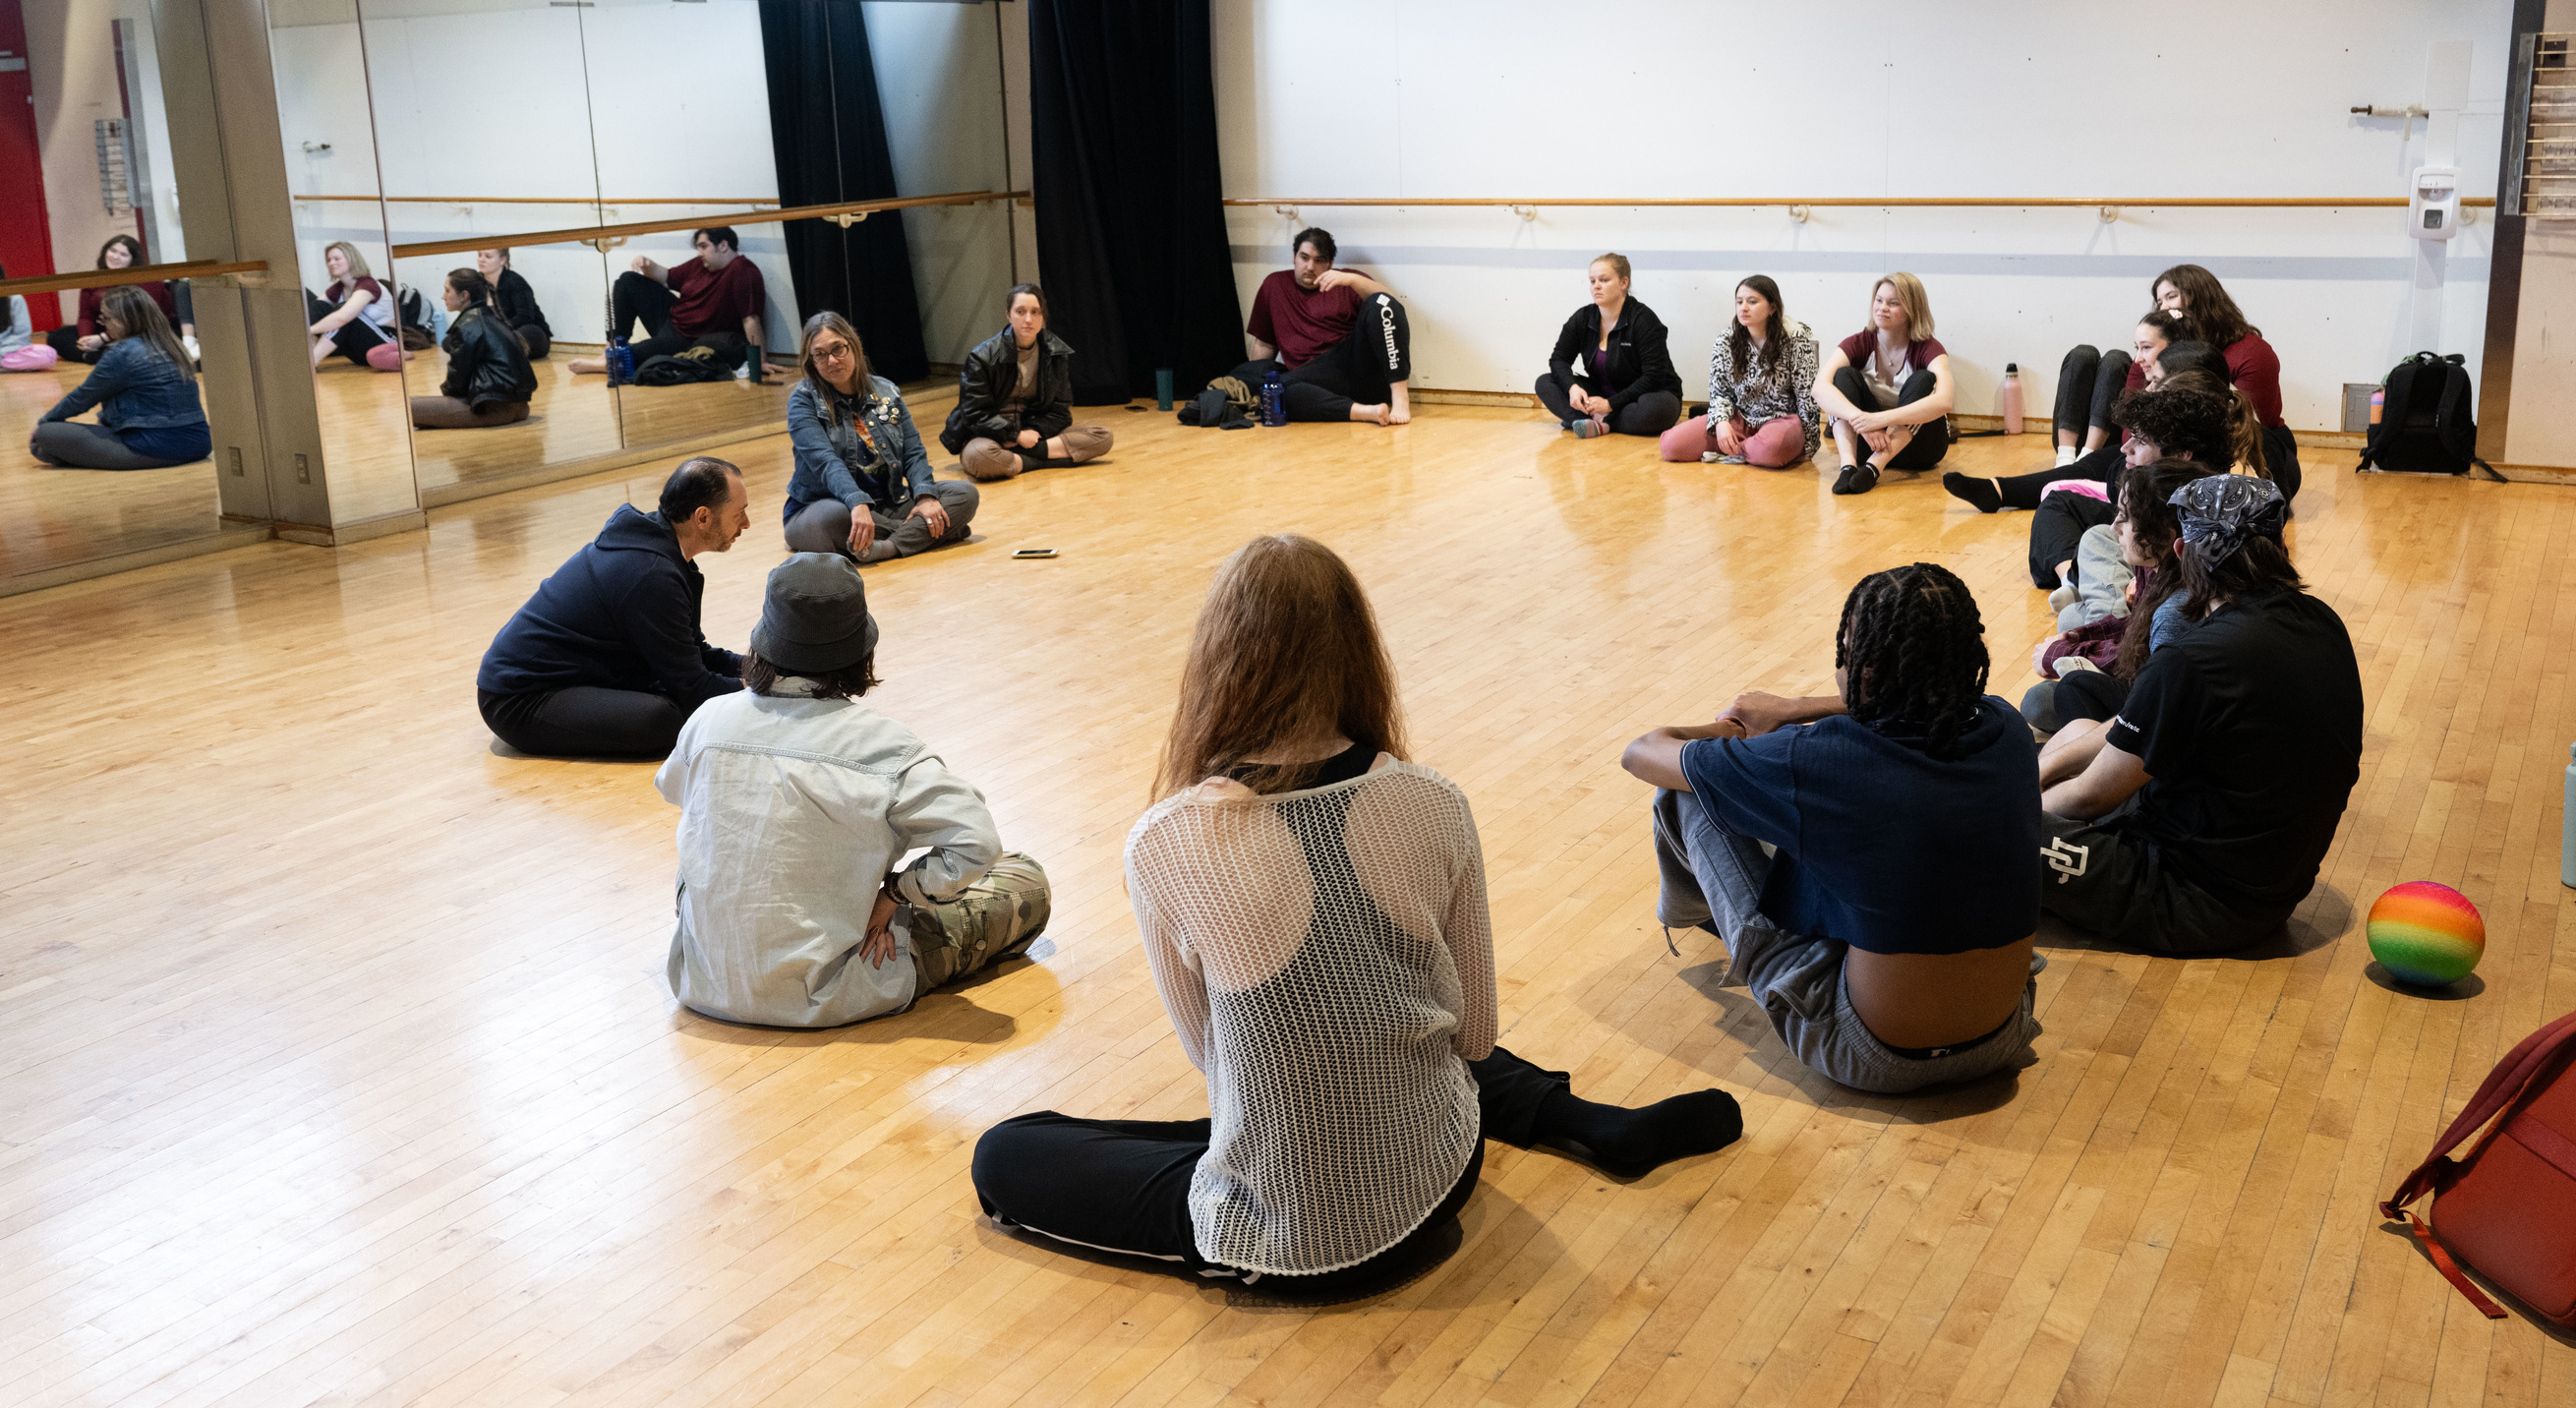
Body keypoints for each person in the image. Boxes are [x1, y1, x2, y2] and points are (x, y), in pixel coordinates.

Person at [970, 535, 1743, 1295]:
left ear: (1216, 661)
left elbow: (1214, 1063)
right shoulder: (1433, 800)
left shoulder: (1166, 839)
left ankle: (1310, 1156)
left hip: (1295, 1235)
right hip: (1446, 1173)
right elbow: (1473, 1038)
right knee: (1406, 1009)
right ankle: (1588, 1121)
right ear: (1357, 651)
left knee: (1007, 1152)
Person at [1619, 563, 2044, 1093]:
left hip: (1870, 1056)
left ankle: (1696, 918)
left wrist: (1732, 732)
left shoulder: (1820, 760)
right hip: (2004, 1035)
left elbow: (1641, 753)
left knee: (1691, 792)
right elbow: (1917, 705)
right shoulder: (2009, 730)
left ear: (1860, 663)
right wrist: (1795, 709)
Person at [658, 553, 1053, 1029]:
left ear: (763, 641)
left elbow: (675, 790)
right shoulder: (885, 746)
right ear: (861, 650)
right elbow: (978, 843)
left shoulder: (707, 719)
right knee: (1026, 877)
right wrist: (894, 893)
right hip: (835, 988)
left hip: (702, 981)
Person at [2036, 475, 2362, 956]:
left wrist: (2012, 805)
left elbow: (2089, 799)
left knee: (1973, 823)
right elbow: (2139, 731)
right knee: (2079, 731)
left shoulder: (2193, 659)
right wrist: (2038, 772)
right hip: (2272, 888)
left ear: (2183, 548)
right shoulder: (2321, 620)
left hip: (2194, 902)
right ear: (2280, 544)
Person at [475, 456, 753, 759]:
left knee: (672, 699)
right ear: (702, 518)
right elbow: (693, 689)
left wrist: (764, 667)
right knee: (664, 719)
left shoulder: (662, 552)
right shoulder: (651, 574)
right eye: (739, 513)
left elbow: (693, 653)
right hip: (519, 698)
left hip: (566, 679)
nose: (746, 524)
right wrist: (763, 688)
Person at [2018, 458, 2211, 733]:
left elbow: (2139, 662)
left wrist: (2068, 652)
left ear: (2163, 536)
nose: (2114, 527)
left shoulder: (2178, 606)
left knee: (2040, 701)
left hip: (2157, 707)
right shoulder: (2157, 566)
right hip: (2147, 676)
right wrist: (2076, 637)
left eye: (2125, 517)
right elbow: (2133, 626)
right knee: (2071, 619)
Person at [1950, 308, 2197, 517]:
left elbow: (2141, 440)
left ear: (2173, 348)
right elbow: (2128, 429)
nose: (2138, 357)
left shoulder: (2183, 383)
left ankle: (2003, 490)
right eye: (2137, 347)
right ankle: (2011, 484)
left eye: (2145, 348)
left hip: (2147, 462)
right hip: (2131, 450)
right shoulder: (2146, 371)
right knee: (2082, 355)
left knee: (2088, 474)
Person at [2021, 372, 2240, 594]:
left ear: (2181, 454)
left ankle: (2084, 588)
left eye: (2141, 441)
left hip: (2151, 603)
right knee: (2062, 504)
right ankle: (2071, 582)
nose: (2126, 448)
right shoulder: (2158, 484)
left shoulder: (2196, 514)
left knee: (2098, 541)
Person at [784, 311, 977, 561]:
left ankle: (887, 547)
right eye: (820, 354)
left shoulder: (886, 390)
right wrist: (856, 503)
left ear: (853, 345)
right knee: (833, 519)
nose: (831, 360)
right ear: (811, 360)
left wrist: (926, 497)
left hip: (890, 502)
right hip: (825, 506)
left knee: (965, 494)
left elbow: (913, 451)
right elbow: (825, 462)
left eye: (838, 349)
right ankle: (938, 531)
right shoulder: (803, 401)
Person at [1228, 226, 1412, 426]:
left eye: (1319, 260)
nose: (1310, 266)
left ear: (1330, 263)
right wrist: (1257, 379)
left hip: (1354, 367)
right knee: (1275, 392)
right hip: (1311, 379)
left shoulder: (1347, 280)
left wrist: (1352, 280)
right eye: (1304, 257)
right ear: (1294, 257)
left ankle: (1400, 398)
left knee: (1381, 304)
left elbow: (1389, 306)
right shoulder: (1274, 284)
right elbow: (1265, 344)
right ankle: (1365, 412)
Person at [2150, 264, 2299, 501]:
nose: (2164, 307)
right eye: (2159, 302)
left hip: (2254, 446)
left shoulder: (2252, 352)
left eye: (2171, 297)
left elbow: (2248, 423)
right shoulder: (2163, 347)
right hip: (2177, 445)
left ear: (2200, 298)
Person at [27, 285, 210, 470]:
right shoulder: (172, 344)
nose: (103, 324)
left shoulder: (123, 352)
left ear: (124, 321)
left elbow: (82, 398)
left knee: (45, 435)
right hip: (199, 444)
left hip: (152, 447)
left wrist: (43, 423)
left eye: (106, 318)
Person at [942, 283, 1112, 480]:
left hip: (1035, 434)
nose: (1028, 319)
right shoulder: (982, 357)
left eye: (1035, 312)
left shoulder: (1056, 353)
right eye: (1020, 312)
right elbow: (975, 414)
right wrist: (1015, 436)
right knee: (980, 458)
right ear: (1008, 315)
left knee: (1102, 437)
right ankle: (1048, 459)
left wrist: (1033, 432)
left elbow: (1061, 411)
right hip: (993, 437)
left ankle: (1020, 462)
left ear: (1043, 317)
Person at [570, 227, 773, 381]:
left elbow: (751, 319)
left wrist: (761, 361)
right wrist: (647, 263)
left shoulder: (743, 271)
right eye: (698, 248)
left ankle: (609, 364)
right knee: (627, 280)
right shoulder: (700, 264)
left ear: (724, 245)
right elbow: (666, 277)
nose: (699, 253)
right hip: (671, 319)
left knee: (640, 353)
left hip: (686, 338)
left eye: (704, 247)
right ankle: (612, 348)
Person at [1813, 271, 1954, 494]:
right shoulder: (1858, 342)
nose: (1882, 308)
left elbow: (1945, 401)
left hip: (1921, 450)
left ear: (1911, 309)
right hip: (1868, 443)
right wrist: (1862, 423)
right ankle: (1848, 467)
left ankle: (1874, 468)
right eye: (1878, 300)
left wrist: (1880, 420)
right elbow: (1819, 387)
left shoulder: (1929, 348)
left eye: (1893, 303)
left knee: (1924, 380)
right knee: (1842, 376)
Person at [1657, 274, 1817, 468]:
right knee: (1671, 445)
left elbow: (1807, 396)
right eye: (1739, 302)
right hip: (1739, 419)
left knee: (1772, 447)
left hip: (1781, 422)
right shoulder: (1726, 339)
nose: (1744, 308)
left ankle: (1735, 451)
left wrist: (1807, 445)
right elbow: (1719, 391)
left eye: (1752, 301)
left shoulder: (1795, 338)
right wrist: (1722, 423)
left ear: (1772, 307)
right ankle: (1745, 450)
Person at [1538, 253, 1683, 440]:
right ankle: (1595, 420)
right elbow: (1559, 359)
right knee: (1545, 382)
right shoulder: (1583, 318)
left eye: (1604, 280)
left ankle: (1594, 421)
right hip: (1601, 394)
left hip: (1644, 396)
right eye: (1592, 281)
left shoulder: (1644, 320)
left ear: (1624, 283)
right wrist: (1572, 387)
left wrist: (1610, 404)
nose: (1596, 286)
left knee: (1658, 408)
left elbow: (1654, 376)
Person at [410, 266, 537, 431]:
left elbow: (457, 380)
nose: (443, 296)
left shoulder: (469, 326)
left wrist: (446, 404)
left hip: (494, 410)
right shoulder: (492, 318)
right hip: (519, 408)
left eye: (447, 291)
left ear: (464, 295)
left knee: (406, 409)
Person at [46, 234, 176, 364]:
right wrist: (86, 339)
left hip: (141, 329)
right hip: (106, 328)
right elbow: (86, 316)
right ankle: (95, 355)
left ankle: (97, 355)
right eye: (112, 251)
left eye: (123, 255)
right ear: (105, 252)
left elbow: (140, 320)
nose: (115, 257)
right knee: (57, 337)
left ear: (133, 260)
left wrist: (102, 338)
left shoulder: (146, 279)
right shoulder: (93, 279)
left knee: (140, 339)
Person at [307, 242, 404, 372]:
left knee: (345, 315)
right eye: (329, 260)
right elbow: (316, 310)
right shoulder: (339, 288)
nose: (331, 263)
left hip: (384, 343)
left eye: (336, 259)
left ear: (351, 259)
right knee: (319, 306)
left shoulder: (368, 285)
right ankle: (309, 356)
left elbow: (343, 317)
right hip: (357, 353)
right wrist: (308, 332)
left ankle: (311, 363)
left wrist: (309, 330)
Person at [474, 247, 551, 359]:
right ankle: (493, 351)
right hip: (494, 335)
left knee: (524, 334)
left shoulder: (515, 282)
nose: (482, 259)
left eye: (488, 256)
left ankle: (493, 351)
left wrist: (499, 330)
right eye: (479, 255)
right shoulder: (476, 282)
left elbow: (525, 317)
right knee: (452, 340)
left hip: (525, 333)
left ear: (502, 260)